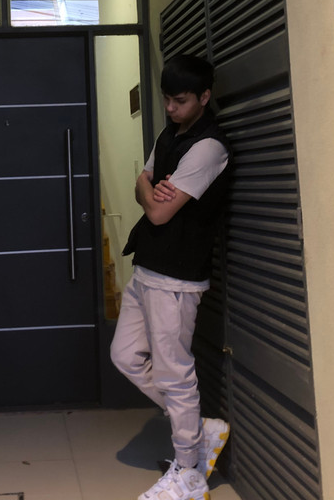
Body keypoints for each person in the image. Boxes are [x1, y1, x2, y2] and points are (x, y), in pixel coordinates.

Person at [111, 54, 232, 500]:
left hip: (178, 279)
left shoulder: (209, 147)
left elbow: (159, 212)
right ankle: (199, 430)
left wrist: (149, 191)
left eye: (179, 100)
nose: (170, 108)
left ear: (204, 96)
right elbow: (141, 182)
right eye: (166, 99)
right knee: (126, 356)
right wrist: (149, 188)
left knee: (174, 373)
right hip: (148, 268)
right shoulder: (170, 133)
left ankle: (189, 472)